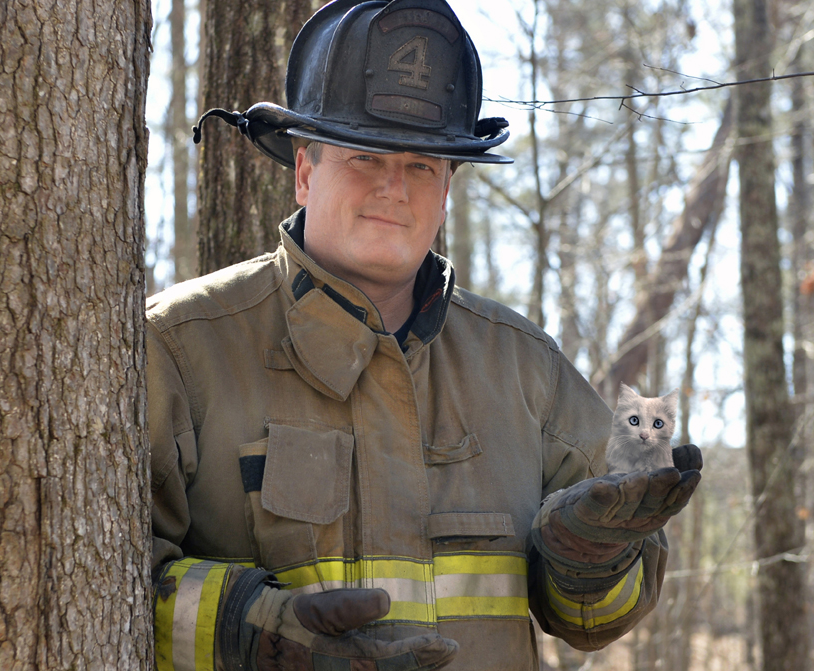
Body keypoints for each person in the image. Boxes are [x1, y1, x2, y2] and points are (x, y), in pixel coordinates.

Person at [147, 1, 702, 669]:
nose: (392, 187)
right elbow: (97, 578)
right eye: (364, 155)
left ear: (444, 194)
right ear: (303, 170)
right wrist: (250, 628)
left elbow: (596, 619)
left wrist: (588, 557)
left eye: (421, 165)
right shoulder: (178, 347)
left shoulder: (526, 368)